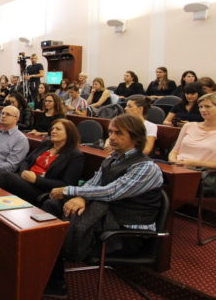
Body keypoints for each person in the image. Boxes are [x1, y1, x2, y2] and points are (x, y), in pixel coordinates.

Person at [46, 114, 164, 297]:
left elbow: (111, 192)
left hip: (125, 233)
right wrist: (82, 198)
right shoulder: (111, 159)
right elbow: (94, 183)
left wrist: (72, 191)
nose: (112, 137)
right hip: (106, 218)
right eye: (110, 132)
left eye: (119, 133)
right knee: (52, 207)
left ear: (135, 137)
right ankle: (51, 275)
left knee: (56, 230)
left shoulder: (147, 167)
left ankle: (55, 283)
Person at [0, 119, 84, 209]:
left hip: (41, 190)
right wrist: (24, 172)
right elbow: (26, 161)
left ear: (69, 133)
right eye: (53, 128)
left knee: (6, 176)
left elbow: (66, 184)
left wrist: (36, 180)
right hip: (25, 179)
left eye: (58, 129)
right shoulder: (46, 144)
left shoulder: (75, 155)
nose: (53, 131)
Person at [168, 93, 216, 171]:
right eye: (200, 107)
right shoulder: (188, 126)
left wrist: (194, 163)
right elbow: (174, 151)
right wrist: (173, 160)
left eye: (207, 106)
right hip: (176, 167)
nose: (202, 110)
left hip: (201, 172)